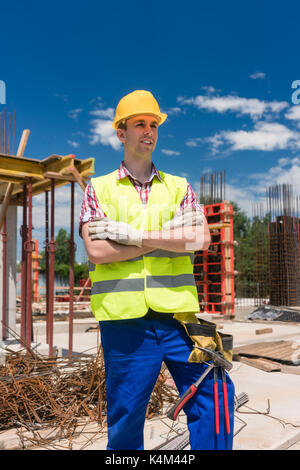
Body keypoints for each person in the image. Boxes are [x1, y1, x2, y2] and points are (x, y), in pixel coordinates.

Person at [80, 90, 235, 450]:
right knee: (126, 412)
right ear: (121, 133)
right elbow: (97, 249)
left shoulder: (180, 186)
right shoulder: (99, 188)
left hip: (182, 314)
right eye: (139, 124)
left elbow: (200, 239)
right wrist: (170, 237)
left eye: (153, 124)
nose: (148, 131)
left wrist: (132, 236)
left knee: (218, 390)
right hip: (124, 321)